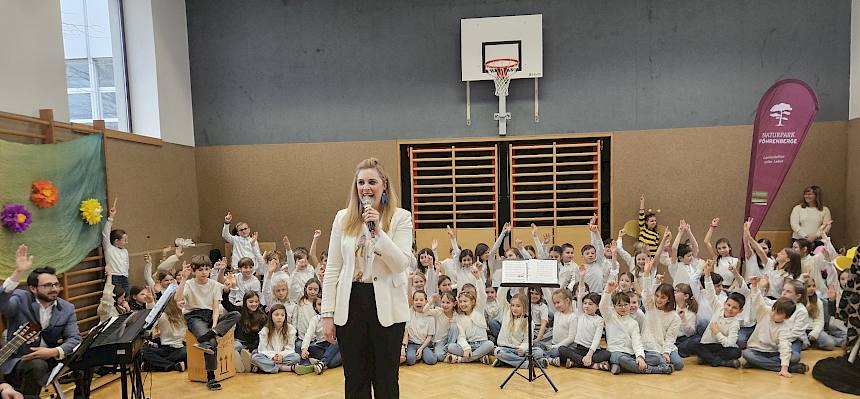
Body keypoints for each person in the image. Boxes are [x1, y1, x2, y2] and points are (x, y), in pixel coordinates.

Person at [321, 158, 414, 398]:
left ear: (384, 185)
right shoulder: (343, 218)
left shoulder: (400, 217)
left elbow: (401, 263)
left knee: (386, 379)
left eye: (372, 181)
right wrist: (327, 314)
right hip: (351, 303)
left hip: (387, 307)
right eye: (361, 182)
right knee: (355, 378)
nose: (366, 187)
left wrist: (377, 232)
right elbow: (333, 268)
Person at [0, 245, 82, 397]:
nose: (54, 289)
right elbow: (2, 302)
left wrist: (53, 351)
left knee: (87, 357)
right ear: (33, 288)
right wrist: (17, 273)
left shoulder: (67, 308)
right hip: (19, 360)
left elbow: (74, 338)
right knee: (37, 366)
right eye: (47, 285)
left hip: (51, 357)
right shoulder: (20, 299)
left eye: (56, 284)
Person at [176, 256, 240, 391]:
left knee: (236, 314)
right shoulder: (189, 284)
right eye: (200, 270)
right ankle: (211, 377)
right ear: (194, 271)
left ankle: (207, 337)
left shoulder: (213, 284)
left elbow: (216, 307)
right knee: (210, 343)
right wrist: (183, 278)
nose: (204, 272)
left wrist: (214, 327)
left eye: (206, 269)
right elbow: (178, 298)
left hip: (211, 316)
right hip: (194, 316)